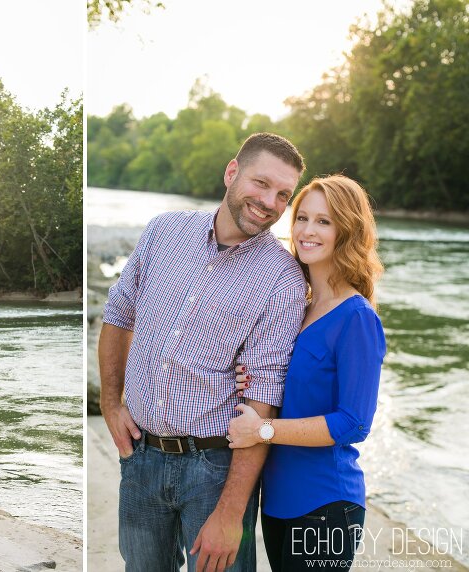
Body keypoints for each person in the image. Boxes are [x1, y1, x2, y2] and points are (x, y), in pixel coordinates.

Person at [99, 132, 308, 572]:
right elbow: (118, 312)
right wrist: (110, 401)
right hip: (140, 458)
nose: (271, 202)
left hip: (215, 469)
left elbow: (263, 398)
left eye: (283, 195)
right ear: (232, 172)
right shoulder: (164, 231)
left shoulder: (283, 279)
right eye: (261, 183)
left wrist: (232, 513)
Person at [227, 175, 386, 571]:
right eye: (302, 218)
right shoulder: (301, 305)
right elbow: (292, 385)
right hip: (277, 500)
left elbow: (354, 423)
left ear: (346, 232)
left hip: (326, 504)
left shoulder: (357, 318)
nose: (307, 231)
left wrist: (264, 430)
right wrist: (253, 379)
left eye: (324, 222)